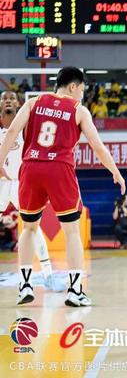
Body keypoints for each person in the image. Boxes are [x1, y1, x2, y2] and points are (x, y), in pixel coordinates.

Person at [0, 67, 125, 306]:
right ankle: (75, 291)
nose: (82, 95)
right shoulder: (79, 110)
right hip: (59, 169)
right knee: (72, 232)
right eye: (82, 90)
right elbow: (97, 145)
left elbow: (12, 131)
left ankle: (25, 286)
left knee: (29, 228)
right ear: (73, 86)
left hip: (31, 167)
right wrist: (115, 172)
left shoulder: (34, 102)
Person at [0, 91, 67, 292]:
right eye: (4, 98)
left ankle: (48, 275)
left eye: (12, 98)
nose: (8, 101)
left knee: (33, 228)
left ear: (19, 104)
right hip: (2, 183)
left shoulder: (28, 127)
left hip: (22, 182)